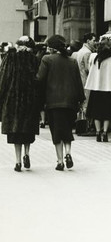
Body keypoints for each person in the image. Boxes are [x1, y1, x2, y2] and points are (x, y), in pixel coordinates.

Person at [36, 35, 85, 171]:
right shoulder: (72, 61)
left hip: (53, 102)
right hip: (70, 102)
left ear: (51, 48)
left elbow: (39, 79)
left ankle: (59, 161)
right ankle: (68, 153)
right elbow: (78, 82)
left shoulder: (47, 59)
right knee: (67, 129)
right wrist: (80, 100)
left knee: (57, 131)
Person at [0, 37, 40, 171]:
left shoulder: (10, 58)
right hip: (30, 99)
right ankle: (27, 154)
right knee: (28, 129)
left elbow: (3, 79)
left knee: (15, 131)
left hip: (13, 100)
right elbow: (38, 80)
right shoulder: (34, 59)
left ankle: (17, 161)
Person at [85, 38, 111, 142]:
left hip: (96, 87)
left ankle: (98, 132)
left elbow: (89, 69)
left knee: (96, 112)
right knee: (107, 112)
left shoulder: (93, 56)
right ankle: (105, 133)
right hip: (108, 87)